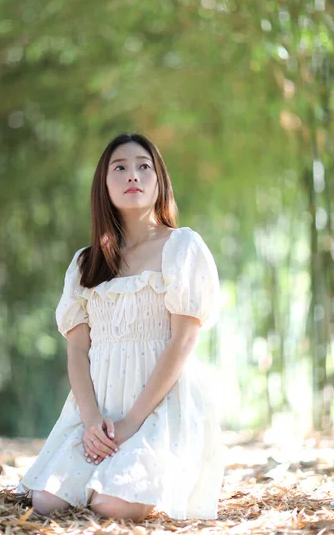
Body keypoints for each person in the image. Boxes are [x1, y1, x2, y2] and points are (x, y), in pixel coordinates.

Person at [16, 133, 225, 522]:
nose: (134, 175)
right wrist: (92, 419)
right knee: (47, 501)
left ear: (159, 179)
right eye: (121, 167)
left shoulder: (182, 247)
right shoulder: (86, 263)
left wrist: (131, 423)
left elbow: (183, 341)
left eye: (144, 166)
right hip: (98, 406)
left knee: (111, 505)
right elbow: (78, 350)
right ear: (104, 184)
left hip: (160, 404)